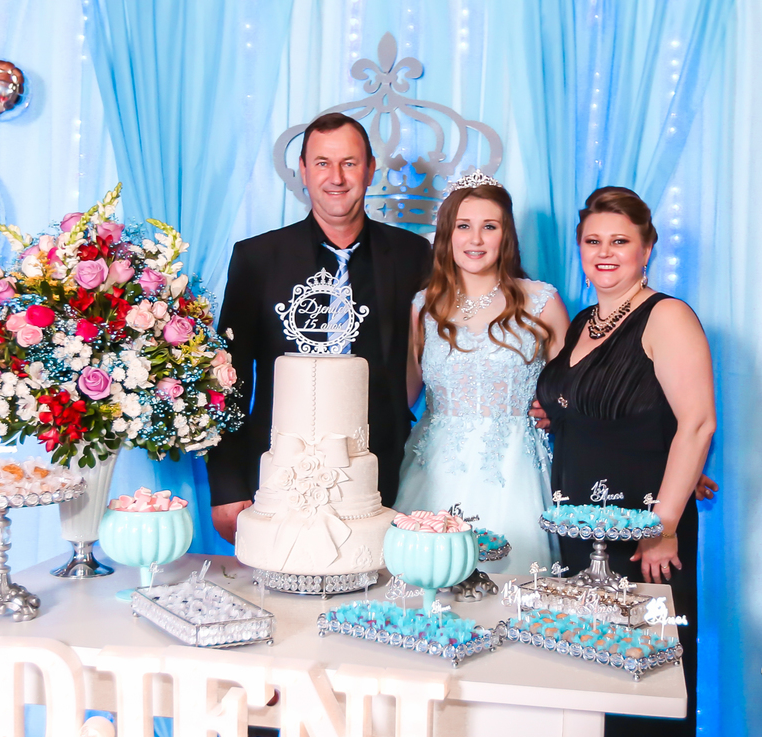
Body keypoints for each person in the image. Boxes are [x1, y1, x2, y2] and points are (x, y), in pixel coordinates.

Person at [535, 186, 715, 737]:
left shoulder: (668, 317)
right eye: (593, 241)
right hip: (580, 533)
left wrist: (664, 526)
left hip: (645, 541)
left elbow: (697, 424)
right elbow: (597, 410)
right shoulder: (584, 320)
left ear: (647, 247)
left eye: (620, 241)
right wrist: (555, 410)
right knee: (591, 683)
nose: (604, 253)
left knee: (645, 686)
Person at [207, 113, 432, 542]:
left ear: (370, 169)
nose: (337, 178)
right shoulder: (257, 258)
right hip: (278, 468)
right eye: (323, 163)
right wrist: (228, 485)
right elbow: (229, 380)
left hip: (383, 471)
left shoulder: (413, 255)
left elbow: (453, 342)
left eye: (349, 163)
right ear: (304, 172)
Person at [395, 176, 571, 574]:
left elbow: (573, 392)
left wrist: (555, 410)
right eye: (463, 226)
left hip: (514, 470)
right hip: (434, 470)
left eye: (489, 226)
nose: (475, 239)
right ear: (447, 234)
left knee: (512, 581)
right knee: (426, 578)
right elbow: (403, 394)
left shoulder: (541, 301)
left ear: (505, 235)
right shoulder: (424, 305)